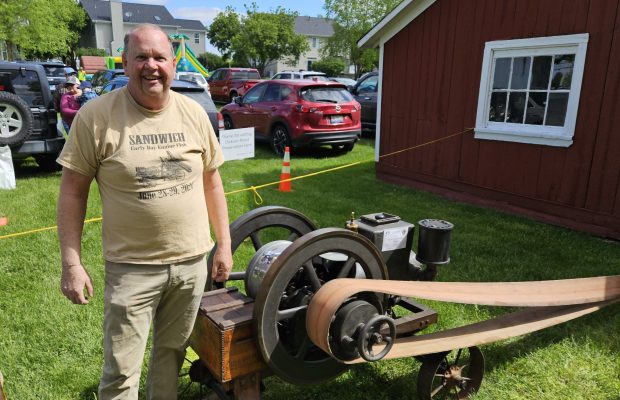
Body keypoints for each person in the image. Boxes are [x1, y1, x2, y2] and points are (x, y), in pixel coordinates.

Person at [56, 23, 233, 400]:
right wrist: (72, 263)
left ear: (173, 63)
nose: (150, 66)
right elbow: (72, 192)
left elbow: (212, 182)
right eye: (141, 57)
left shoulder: (194, 113)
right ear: (125, 63)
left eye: (158, 57)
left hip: (190, 263)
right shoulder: (96, 116)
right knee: (121, 371)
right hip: (132, 268)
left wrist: (224, 244)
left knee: (171, 354)